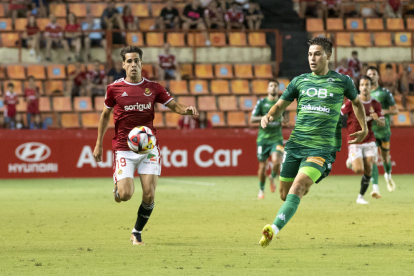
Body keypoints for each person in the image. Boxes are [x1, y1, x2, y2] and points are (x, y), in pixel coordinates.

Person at [258, 37, 368, 248]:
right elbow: (281, 105)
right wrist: (269, 115)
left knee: (298, 187)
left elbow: (357, 103)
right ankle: (301, 188)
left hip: (322, 148)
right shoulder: (299, 81)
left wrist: (363, 128)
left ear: (328, 55)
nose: (312, 58)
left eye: (317, 54)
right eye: (309, 54)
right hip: (296, 145)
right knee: (285, 194)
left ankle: (273, 229)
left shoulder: (342, 81)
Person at [93, 45, 199, 245]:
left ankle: (136, 232)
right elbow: (105, 115)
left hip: (148, 148)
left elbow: (174, 105)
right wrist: (98, 144)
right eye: (129, 61)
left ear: (142, 63)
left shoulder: (154, 87)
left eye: (136, 61)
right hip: (124, 148)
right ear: (123, 64)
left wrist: (187, 110)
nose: (133, 64)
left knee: (149, 194)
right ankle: (118, 189)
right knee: (125, 195)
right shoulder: (114, 89)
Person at [342, 76, 385, 204]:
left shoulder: (375, 104)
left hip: (369, 139)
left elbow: (383, 123)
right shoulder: (352, 102)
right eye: (362, 85)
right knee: (358, 170)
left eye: (367, 84)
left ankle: (360, 197)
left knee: (369, 166)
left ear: (371, 87)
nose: (364, 87)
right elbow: (340, 113)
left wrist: (378, 119)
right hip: (354, 139)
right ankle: (351, 160)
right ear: (359, 87)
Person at [366, 66, 399, 193]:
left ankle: (388, 175)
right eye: (369, 74)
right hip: (370, 132)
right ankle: (375, 187)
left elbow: (395, 110)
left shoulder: (384, 93)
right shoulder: (364, 93)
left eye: (374, 74)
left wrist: (382, 112)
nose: (372, 76)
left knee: (385, 158)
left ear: (378, 76)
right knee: (372, 158)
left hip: (384, 131)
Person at [250, 79, 285, 199]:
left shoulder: (282, 104)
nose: (273, 88)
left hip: (277, 139)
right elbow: (252, 119)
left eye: (276, 86)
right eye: (271, 86)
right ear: (268, 89)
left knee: (277, 161)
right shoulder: (261, 103)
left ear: (278, 89)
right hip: (263, 140)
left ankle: (273, 177)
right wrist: (265, 117)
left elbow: (285, 120)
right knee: (263, 167)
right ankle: (261, 189)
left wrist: (285, 121)